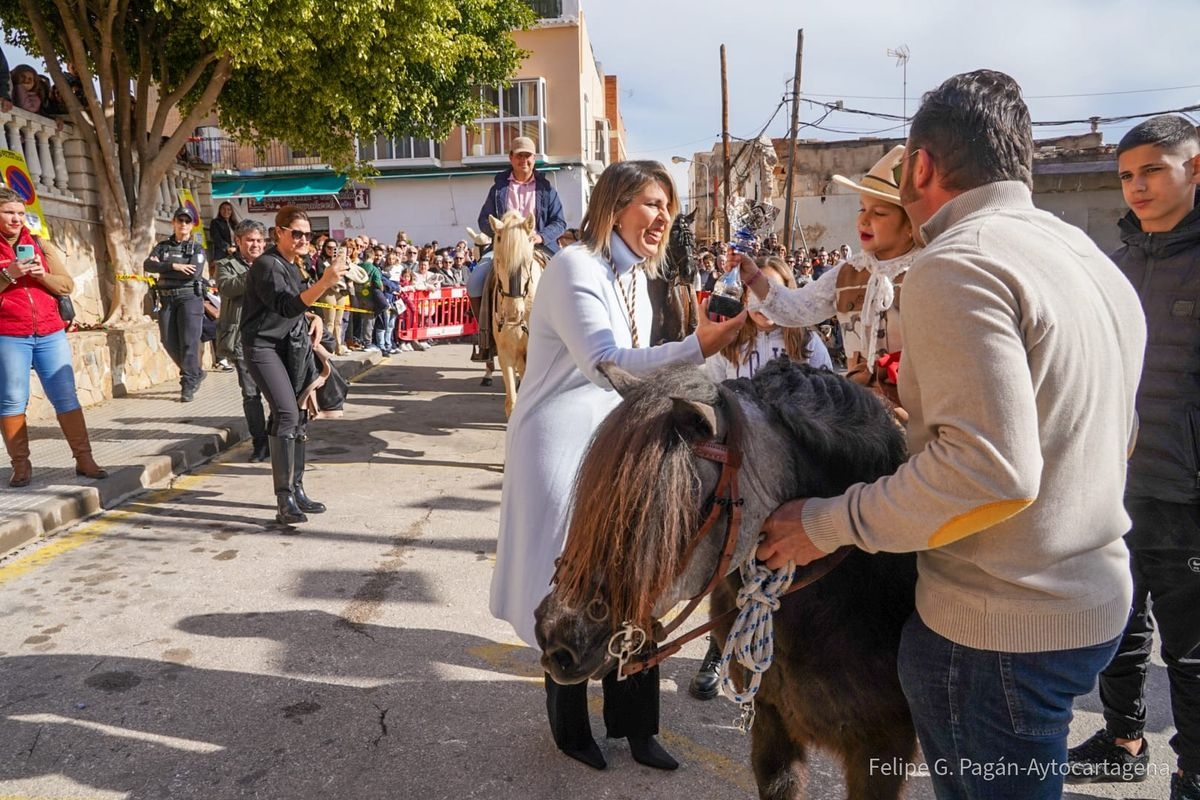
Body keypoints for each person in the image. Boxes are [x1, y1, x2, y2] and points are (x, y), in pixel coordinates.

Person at [751, 70, 1147, 800]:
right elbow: (1116, 434)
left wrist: (823, 523)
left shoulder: (957, 262)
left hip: (999, 628)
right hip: (1088, 601)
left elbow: (990, 471)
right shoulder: (1091, 259)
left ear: (922, 167)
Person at [489, 160, 746, 773]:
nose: (662, 218)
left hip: (619, 444)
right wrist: (702, 347)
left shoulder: (635, 276)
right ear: (613, 205)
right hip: (561, 445)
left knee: (637, 577)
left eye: (668, 207)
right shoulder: (576, 266)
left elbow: (644, 368)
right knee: (572, 585)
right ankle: (571, 727)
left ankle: (636, 727)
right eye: (651, 203)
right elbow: (608, 362)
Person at [1065, 115, 1200, 800]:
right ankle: (1122, 741)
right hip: (1114, 484)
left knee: (1193, 649)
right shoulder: (1112, 265)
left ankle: (1194, 771)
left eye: (1153, 170)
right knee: (1118, 620)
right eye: (1126, 175)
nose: (1137, 186)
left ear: (1195, 168)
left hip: (1187, 493)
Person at [240, 206, 347, 525]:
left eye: (307, 234)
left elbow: (295, 304)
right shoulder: (267, 264)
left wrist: (312, 316)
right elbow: (287, 305)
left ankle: (297, 489)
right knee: (287, 413)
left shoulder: (291, 265)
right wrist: (326, 282)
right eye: (296, 233)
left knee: (297, 414)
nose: (303, 239)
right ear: (279, 233)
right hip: (262, 346)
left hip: (288, 345)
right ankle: (284, 498)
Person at [0, 186, 107, 487]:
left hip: (49, 332)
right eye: (9, 212)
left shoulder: (39, 245)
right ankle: (20, 466)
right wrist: (9, 274)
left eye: (20, 213)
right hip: (9, 334)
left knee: (65, 396)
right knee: (11, 400)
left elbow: (66, 285)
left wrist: (39, 276)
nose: (16, 218)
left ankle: (84, 459)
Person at [469, 136, 569, 384]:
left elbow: (560, 222)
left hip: (537, 245)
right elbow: (484, 219)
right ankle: (486, 338)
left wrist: (541, 236)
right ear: (511, 158)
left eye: (529, 156)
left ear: (534, 159)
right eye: (519, 156)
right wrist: (501, 232)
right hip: (504, 248)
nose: (524, 160)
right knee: (474, 282)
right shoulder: (499, 188)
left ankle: (566, 340)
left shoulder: (546, 189)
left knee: (567, 279)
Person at [705, 255, 832, 381]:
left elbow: (830, 392)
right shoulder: (724, 343)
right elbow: (713, 396)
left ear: (789, 296)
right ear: (744, 298)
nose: (765, 303)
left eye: (774, 294)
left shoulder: (809, 343)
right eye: (756, 293)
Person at [215, 219, 271, 463]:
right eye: (250, 240)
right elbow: (228, 288)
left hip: (272, 338)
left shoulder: (274, 263)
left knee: (279, 394)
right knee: (251, 394)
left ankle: (280, 438)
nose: (255, 245)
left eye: (259, 240)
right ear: (238, 242)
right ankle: (260, 443)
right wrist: (257, 274)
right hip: (242, 339)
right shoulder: (225, 265)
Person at [143, 206, 208, 402]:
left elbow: (194, 272)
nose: (183, 224)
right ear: (174, 223)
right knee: (168, 340)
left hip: (189, 298)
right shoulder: (162, 246)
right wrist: (174, 266)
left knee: (189, 341)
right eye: (180, 220)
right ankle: (195, 371)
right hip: (167, 298)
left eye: (187, 221)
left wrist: (163, 267)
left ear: (192, 225)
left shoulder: (197, 248)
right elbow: (148, 265)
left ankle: (187, 383)